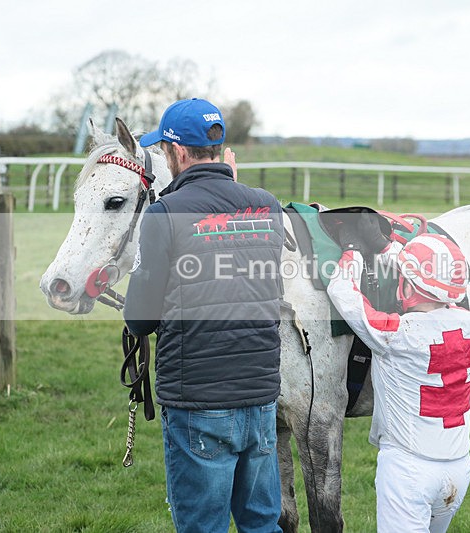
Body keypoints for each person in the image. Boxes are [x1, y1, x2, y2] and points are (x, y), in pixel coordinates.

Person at [123, 98, 284, 533]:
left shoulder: (165, 213)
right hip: (260, 398)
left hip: (200, 402)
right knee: (262, 523)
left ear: (176, 153)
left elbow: (139, 319)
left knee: (202, 526)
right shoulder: (267, 205)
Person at [326, 220, 470, 533]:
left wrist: (352, 249)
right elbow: (432, 289)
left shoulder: (396, 334)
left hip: (409, 471)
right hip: (458, 468)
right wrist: (389, 249)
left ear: (408, 286)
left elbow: (342, 290)